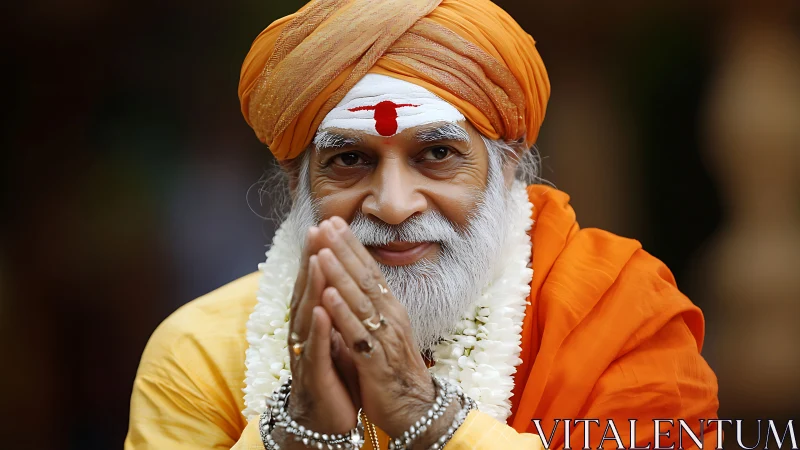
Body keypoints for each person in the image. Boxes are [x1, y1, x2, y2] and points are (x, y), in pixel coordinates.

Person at [124, 0, 720, 449]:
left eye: (436, 155)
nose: (393, 204)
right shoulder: (200, 354)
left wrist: (426, 416)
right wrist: (294, 434)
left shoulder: (622, 318)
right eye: (349, 160)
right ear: (295, 182)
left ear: (507, 162)